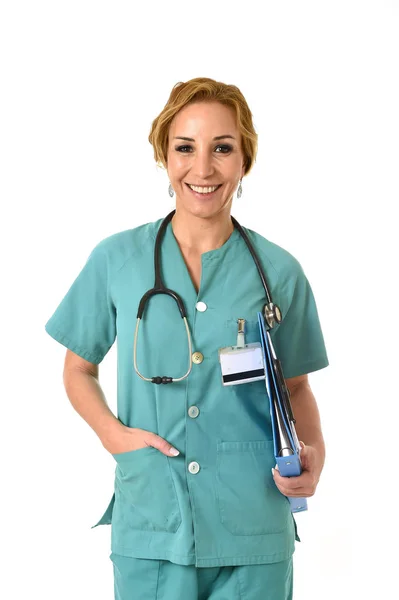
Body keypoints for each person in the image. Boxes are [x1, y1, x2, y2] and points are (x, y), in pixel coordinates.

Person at [45, 77, 329, 600]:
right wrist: (112, 434)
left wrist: (314, 454)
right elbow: (77, 368)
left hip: (253, 528)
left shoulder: (279, 272)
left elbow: (296, 388)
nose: (203, 169)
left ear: (245, 159)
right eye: (185, 148)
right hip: (152, 520)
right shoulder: (117, 261)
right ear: (163, 155)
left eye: (222, 148)